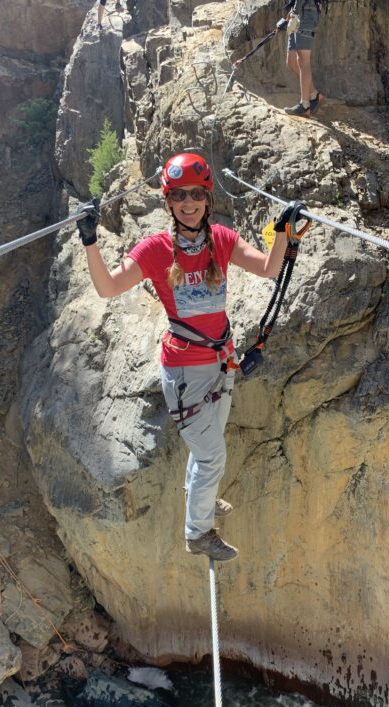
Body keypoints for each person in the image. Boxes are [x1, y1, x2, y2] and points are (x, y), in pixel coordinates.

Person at [76, 153, 299, 562]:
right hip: (183, 373)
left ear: (207, 197)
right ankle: (198, 533)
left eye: (196, 194)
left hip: (221, 364)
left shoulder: (222, 240)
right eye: (179, 196)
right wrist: (90, 241)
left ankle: (203, 494)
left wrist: (282, 230)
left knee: (208, 448)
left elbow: (269, 269)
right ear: (169, 202)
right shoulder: (156, 250)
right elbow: (108, 288)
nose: (189, 202)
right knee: (213, 453)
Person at [284, 0, 322, 117]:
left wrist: (294, 13)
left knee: (303, 61)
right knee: (291, 61)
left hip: (305, 14)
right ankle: (314, 95)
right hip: (298, 12)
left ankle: (304, 105)